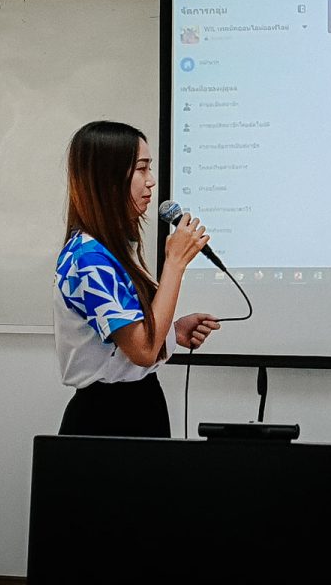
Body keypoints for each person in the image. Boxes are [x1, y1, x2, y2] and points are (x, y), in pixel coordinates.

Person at [54, 120, 220, 437]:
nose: (151, 181)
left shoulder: (113, 249)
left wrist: (172, 332)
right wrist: (175, 263)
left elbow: (130, 338)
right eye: (142, 169)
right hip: (108, 419)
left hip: (139, 404)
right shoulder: (90, 258)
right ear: (109, 178)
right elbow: (142, 351)